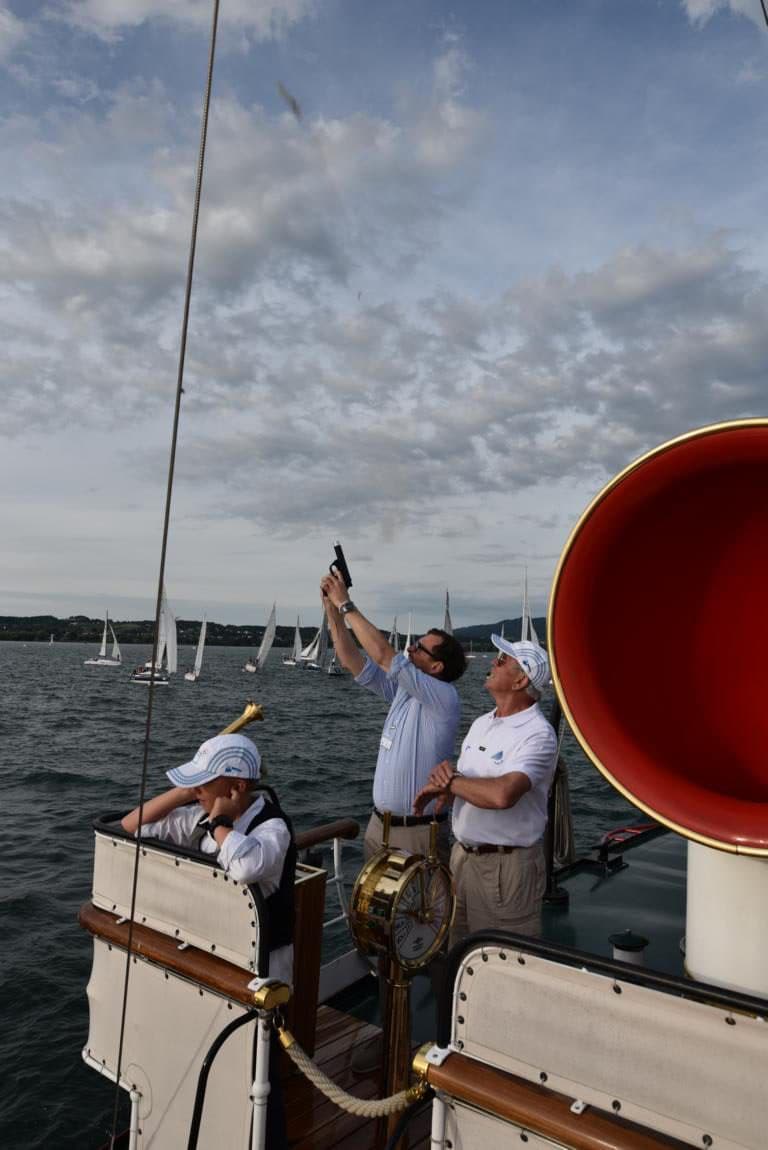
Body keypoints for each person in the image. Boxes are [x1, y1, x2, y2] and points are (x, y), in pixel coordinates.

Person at [121, 732, 295, 1147]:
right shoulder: (201, 814)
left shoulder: (273, 828)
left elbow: (247, 865)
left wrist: (219, 822)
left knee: (258, 1074)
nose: (196, 791)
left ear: (236, 788)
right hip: (218, 957)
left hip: (262, 972)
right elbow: (131, 827)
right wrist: (182, 793)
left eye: (204, 783)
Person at [414, 635, 557, 943]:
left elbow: (502, 794)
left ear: (520, 680)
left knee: (501, 965)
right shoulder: (483, 723)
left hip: (505, 872)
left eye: (502, 660)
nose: (493, 662)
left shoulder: (538, 735)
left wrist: (451, 780)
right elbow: (473, 785)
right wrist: (447, 785)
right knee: (458, 952)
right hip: (462, 859)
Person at [320, 568, 466, 864]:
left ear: (437, 667)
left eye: (419, 648)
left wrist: (346, 603)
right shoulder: (406, 691)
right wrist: (333, 611)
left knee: (427, 910)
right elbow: (353, 661)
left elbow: (384, 655)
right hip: (380, 829)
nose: (410, 649)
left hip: (417, 833)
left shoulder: (443, 697)